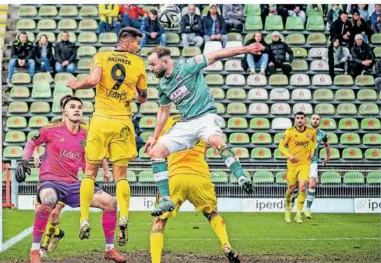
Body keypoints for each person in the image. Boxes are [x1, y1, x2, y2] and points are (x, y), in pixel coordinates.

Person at [144, 44, 263, 216]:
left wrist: (246, 49)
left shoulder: (188, 66)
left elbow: (217, 54)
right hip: (186, 124)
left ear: (165, 61)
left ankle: (241, 177)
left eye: (153, 64)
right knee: (156, 152)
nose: (150, 68)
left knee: (216, 141)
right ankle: (165, 199)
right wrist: (154, 137)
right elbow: (163, 111)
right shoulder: (163, 85)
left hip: (205, 117)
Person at [15, 96, 126, 263]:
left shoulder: (86, 134)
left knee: (110, 202)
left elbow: (84, 159)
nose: (77, 109)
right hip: (50, 182)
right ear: (64, 111)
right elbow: (32, 142)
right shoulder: (51, 129)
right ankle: (35, 250)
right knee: (48, 200)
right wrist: (24, 161)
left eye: (80, 107)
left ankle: (109, 250)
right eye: (72, 106)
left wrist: (90, 178)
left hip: (74, 184)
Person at [67, 27, 148, 245]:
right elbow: (143, 98)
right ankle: (124, 216)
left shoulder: (101, 56)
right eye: (137, 43)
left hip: (101, 120)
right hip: (122, 122)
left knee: (90, 173)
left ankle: (84, 219)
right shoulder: (139, 63)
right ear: (128, 43)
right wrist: (132, 92)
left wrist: (76, 84)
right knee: (121, 175)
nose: (139, 47)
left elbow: (93, 81)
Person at [149, 115, 240, 263]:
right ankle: (226, 244)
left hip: (175, 177)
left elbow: (158, 148)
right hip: (199, 176)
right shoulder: (203, 121)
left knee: (159, 222)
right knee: (212, 213)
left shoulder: (168, 122)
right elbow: (212, 145)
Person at [278, 112, 316, 224]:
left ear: (305, 120)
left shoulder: (311, 132)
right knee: (290, 188)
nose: (300, 120)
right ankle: (287, 209)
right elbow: (280, 146)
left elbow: (314, 142)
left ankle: (298, 214)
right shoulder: (289, 132)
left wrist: (312, 152)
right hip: (292, 165)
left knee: (303, 187)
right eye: (298, 118)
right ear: (295, 119)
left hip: (305, 164)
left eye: (302, 118)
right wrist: (289, 155)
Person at [291, 114, 330, 219]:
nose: (315, 121)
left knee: (312, 184)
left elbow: (326, 144)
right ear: (310, 121)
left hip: (313, 162)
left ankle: (307, 209)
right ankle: (293, 202)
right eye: (313, 119)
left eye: (317, 119)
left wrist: (327, 156)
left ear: (320, 121)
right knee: (297, 185)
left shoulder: (322, 134)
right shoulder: (304, 131)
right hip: (301, 162)